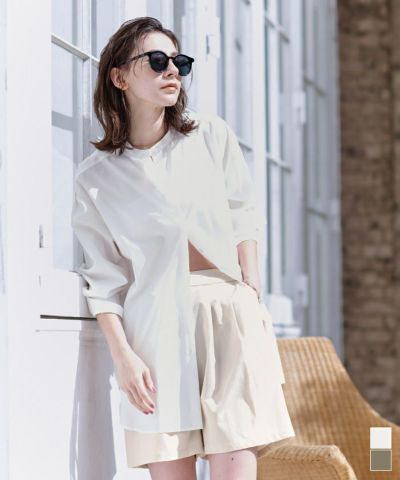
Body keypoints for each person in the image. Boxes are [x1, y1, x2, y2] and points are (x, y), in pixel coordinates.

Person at [71, 16, 295, 480]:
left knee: (236, 466)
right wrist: (124, 357)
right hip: (155, 333)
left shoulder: (209, 135)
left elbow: (242, 210)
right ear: (119, 77)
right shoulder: (96, 177)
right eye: (157, 61)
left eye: (180, 61)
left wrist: (250, 287)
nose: (172, 70)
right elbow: (104, 279)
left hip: (228, 316)